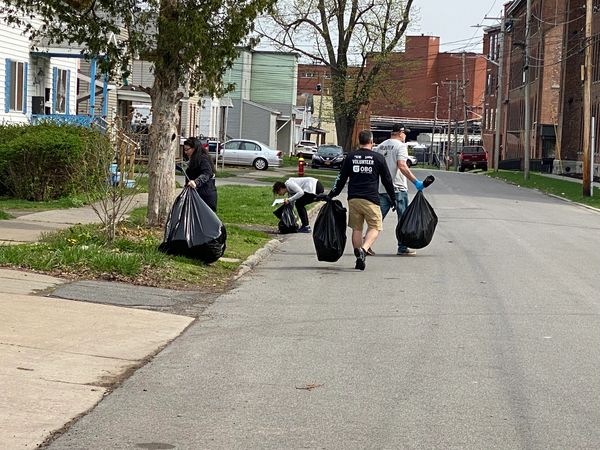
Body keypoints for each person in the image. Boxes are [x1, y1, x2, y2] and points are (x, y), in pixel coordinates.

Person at [324, 130, 396, 271]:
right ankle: (363, 249)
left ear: (359, 141)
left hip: (353, 198)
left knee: (356, 228)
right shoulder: (378, 158)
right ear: (371, 141)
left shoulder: (350, 157)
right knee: (375, 226)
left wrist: (332, 194)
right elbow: (387, 180)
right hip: (371, 199)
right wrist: (393, 198)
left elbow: (341, 178)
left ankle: (358, 258)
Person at [374, 123, 427, 256]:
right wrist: (416, 182)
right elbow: (402, 166)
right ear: (400, 133)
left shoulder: (380, 146)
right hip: (398, 188)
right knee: (403, 219)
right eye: (405, 133)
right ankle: (402, 247)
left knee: (377, 218)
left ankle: (366, 243)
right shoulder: (401, 146)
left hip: (382, 188)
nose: (405, 136)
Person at [182, 137, 218, 212]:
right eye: (184, 150)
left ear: (194, 148)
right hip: (197, 195)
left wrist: (196, 182)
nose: (185, 152)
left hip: (205, 197)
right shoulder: (193, 160)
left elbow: (207, 173)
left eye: (187, 149)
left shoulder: (203, 159)